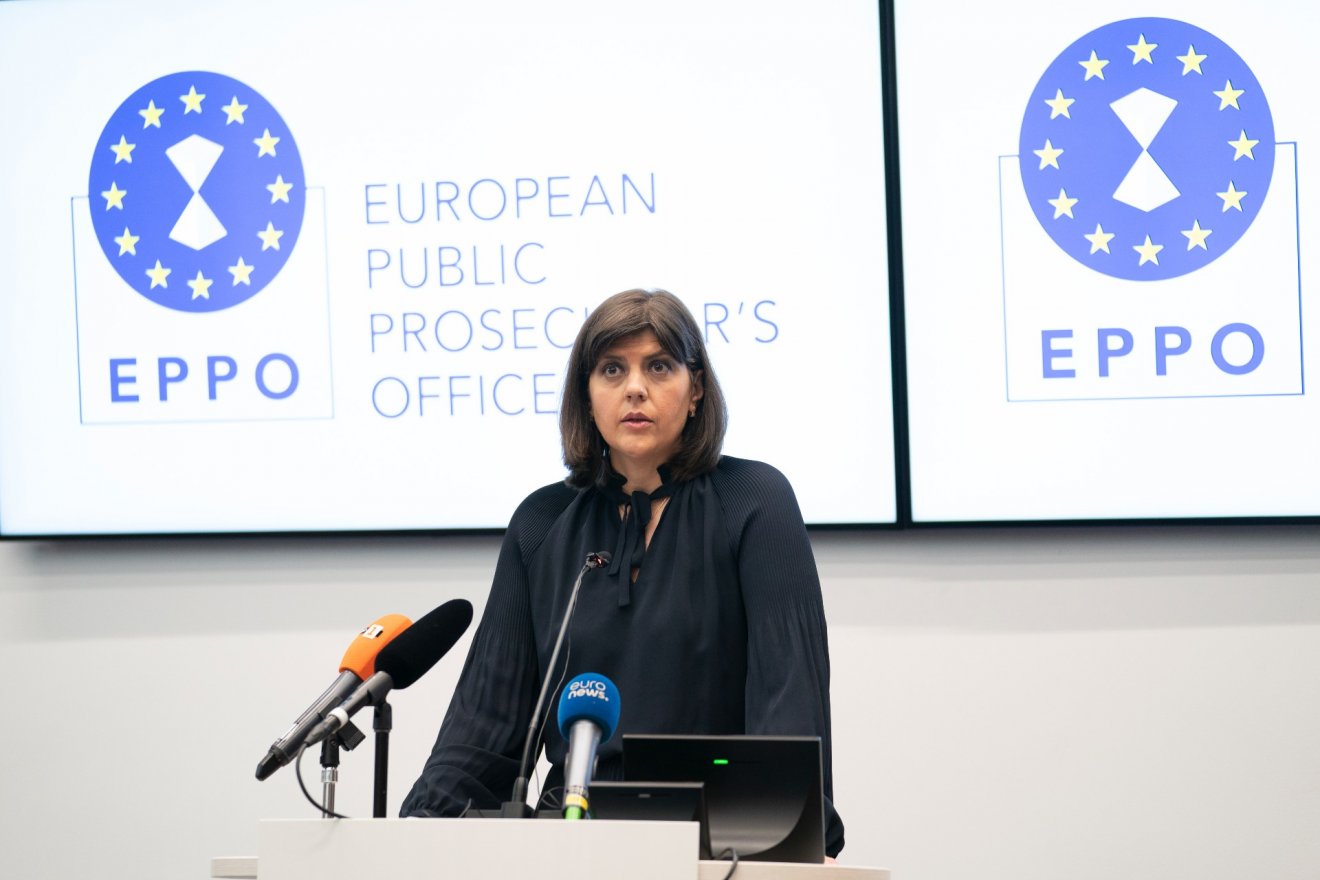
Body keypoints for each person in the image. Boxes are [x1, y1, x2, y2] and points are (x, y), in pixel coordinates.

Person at [400, 288, 845, 858]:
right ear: (586, 396)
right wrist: (413, 839)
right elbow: (484, 725)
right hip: (567, 839)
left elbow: (790, 704)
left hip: (713, 841)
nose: (635, 388)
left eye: (658, 367)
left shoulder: (753, 501)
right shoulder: (541, 522)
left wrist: (785, 839)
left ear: (695, 389)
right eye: (612, 369)